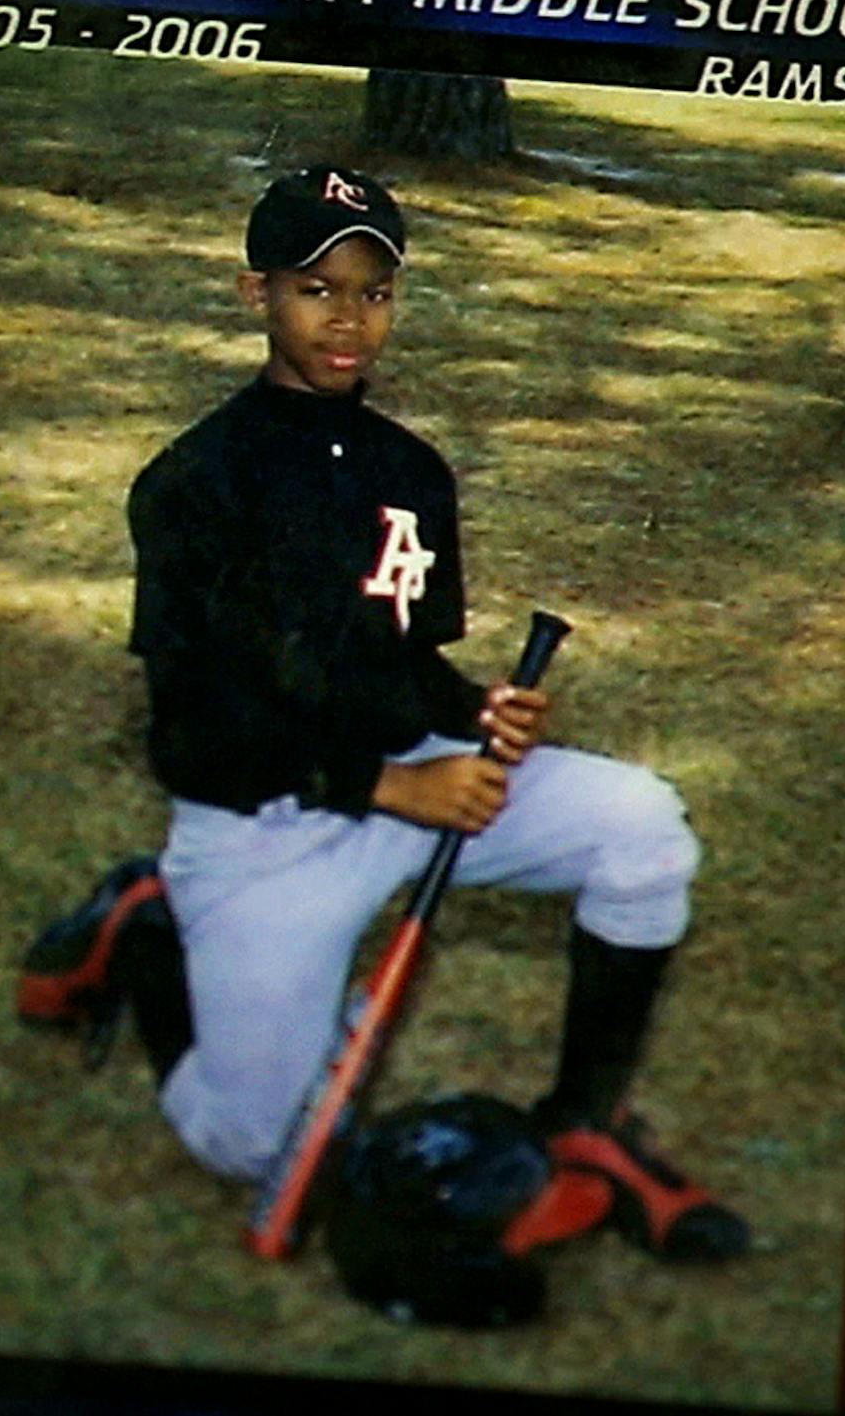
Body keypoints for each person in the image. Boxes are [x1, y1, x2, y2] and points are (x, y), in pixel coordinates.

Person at [123, 165, 748, 1261]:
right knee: (252, 1141)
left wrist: (478, 709)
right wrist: (390, 788)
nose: (348, 317)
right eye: (315, 288)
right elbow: (191, 733)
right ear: (252, 293)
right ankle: (144, 939)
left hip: (416, 772)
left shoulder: (406, 471)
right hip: (267, 823)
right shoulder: (192, 483)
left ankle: (583, 1123)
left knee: (642, 827)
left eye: (373, 291)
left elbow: (401, 670)